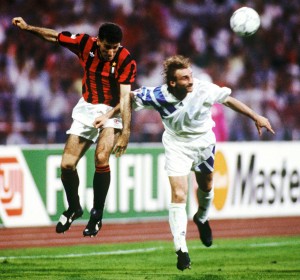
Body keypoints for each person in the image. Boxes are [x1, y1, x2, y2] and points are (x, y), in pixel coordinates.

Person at [95, 55, 274, 270]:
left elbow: (228, 100)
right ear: (172, 82)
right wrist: (108, 114)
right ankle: (181, 249)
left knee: (207, 186)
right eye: (185, 78)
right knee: (179, 194)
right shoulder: (158, 94)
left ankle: (201, 217)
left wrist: (256, 117)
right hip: (176, 145)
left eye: (190, 76)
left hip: (204, 143)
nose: (191, 81)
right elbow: (130, 98)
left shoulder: (202, 88)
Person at [12, 17, 137, 237]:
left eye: (114, 48)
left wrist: (125, 131)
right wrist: (27, 27)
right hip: (87, 108)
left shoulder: (126, 60)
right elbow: (54, 36)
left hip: (112, 109)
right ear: (99, 42)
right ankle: (73, 208)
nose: (111, 52)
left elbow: (126, 98)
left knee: (101, 158)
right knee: (67, 164)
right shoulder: (84, 44)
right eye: (107, 47)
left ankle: (96, 214)